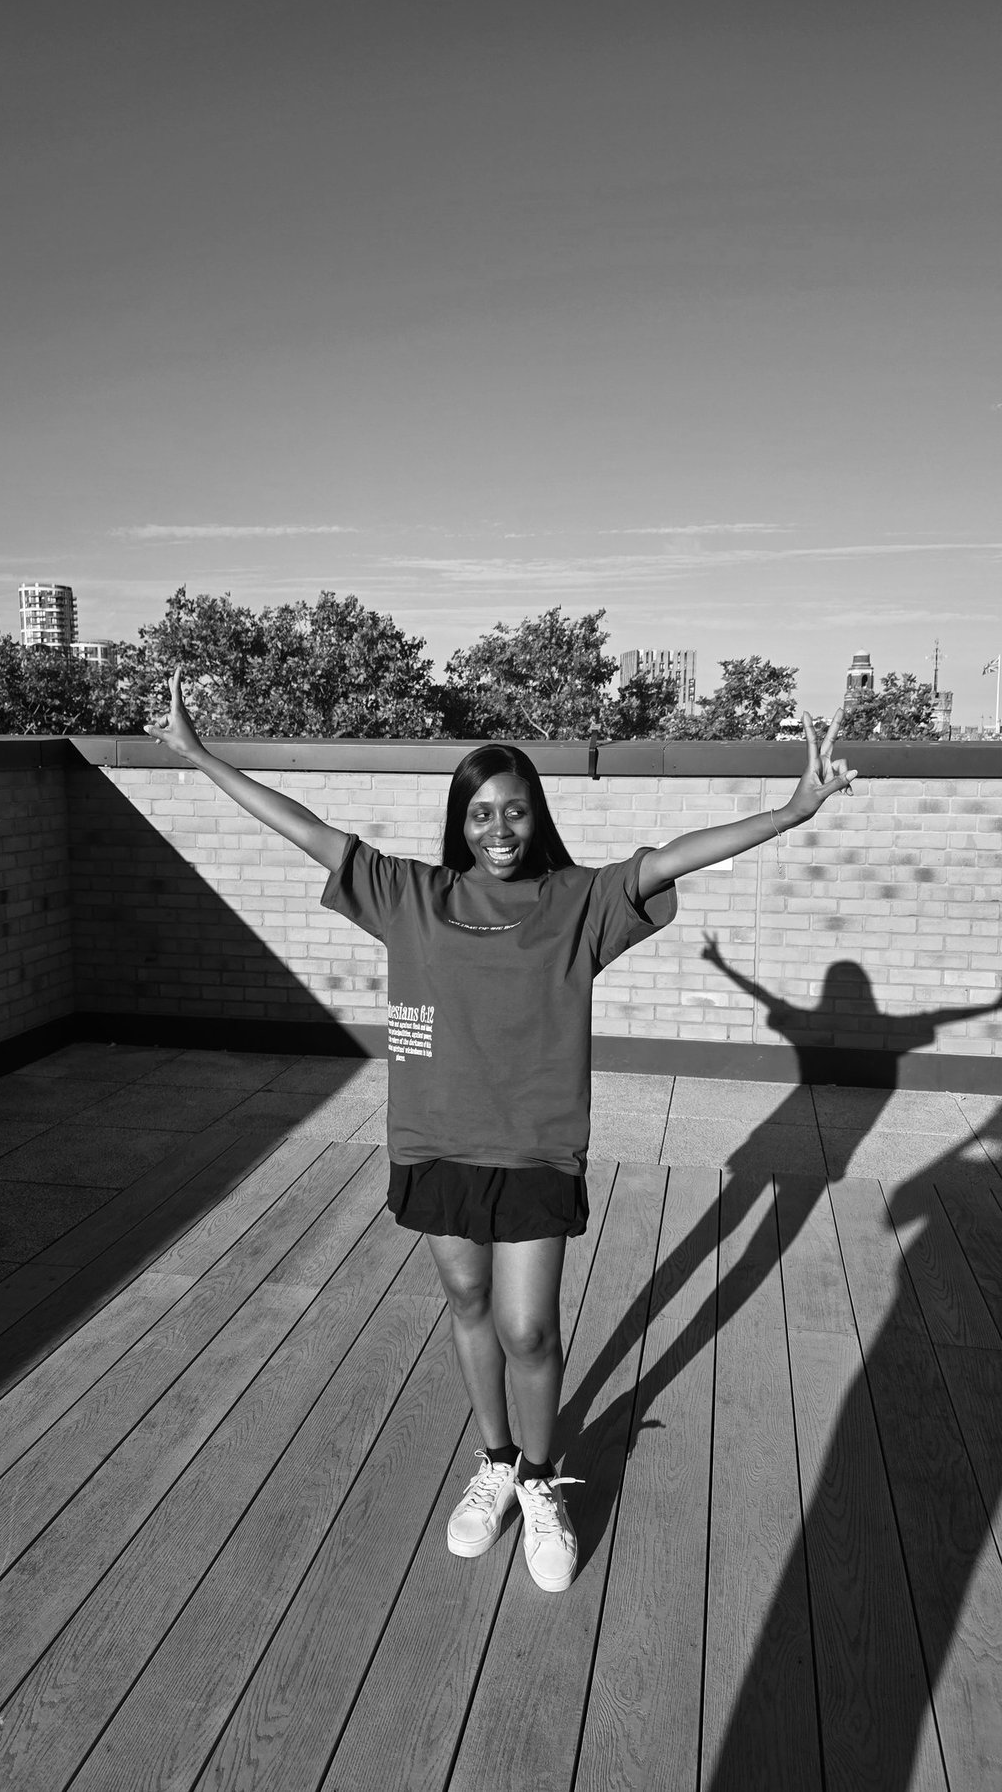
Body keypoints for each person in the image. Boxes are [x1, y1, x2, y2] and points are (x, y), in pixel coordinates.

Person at [147, 671, 856, 1593]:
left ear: (537, 816)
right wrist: (201, 756)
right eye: (480, 814)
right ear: (460, 823)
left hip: (533, 1149)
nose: (498, 831)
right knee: (469, 1302)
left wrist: (793, 810)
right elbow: (304, 829)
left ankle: (535, 1477)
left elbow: (671, 859)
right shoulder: (412, 897)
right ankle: (493, 1460)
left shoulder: (577, 905)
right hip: (433, 1142)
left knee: (528, 1327)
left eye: (515, 812)